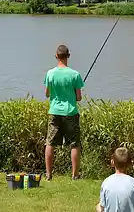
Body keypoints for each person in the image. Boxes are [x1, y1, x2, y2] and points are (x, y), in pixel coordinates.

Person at [44, 44, 84, 180]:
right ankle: (75, 175)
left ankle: (49, 174)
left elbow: (47, 94)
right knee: (74, 144)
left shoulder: (50, 73)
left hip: (54, 111)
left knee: (50, 143)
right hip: (70, 112)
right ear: (68, 56)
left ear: (56, 56)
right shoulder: (75, 74)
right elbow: (79, 97)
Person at [97, 147, 134, 212]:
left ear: (112, 162)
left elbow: (102, 207)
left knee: (98, 206)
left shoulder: (106, 182)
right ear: (130, 164)